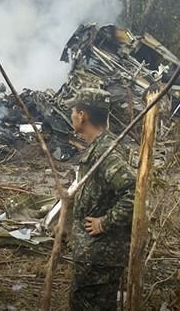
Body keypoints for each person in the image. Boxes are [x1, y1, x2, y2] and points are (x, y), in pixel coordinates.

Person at [63, 88, 135, 311]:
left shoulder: (107, 151)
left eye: (73, 111)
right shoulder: (100, 146)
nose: (72, 116)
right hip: (94, 255)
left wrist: (105, 222)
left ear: (82, 114)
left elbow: (133, 191)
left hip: (100, 255)